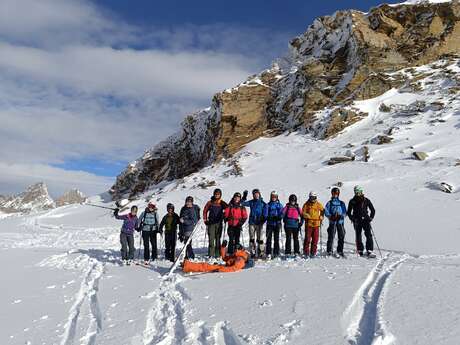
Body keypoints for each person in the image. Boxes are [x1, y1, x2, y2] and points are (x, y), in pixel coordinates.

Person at [182, 241, 249, 273]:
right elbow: (225, 258)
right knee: (204, 265)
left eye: (236, 248)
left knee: (205, 266)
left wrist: (220, 270)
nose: (235, 249)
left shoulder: (241, 259)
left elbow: (233, 269)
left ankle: (187, 266)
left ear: (240, 249)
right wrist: (223, 247)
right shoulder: (237, 255)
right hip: (222, 266)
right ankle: (187, 265)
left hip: (222, 268)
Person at [347, 186, 376, 258]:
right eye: (356, 192)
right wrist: (352, 218)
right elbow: (349, 212)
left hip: (365, 220)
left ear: (361, 192)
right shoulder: (352, 201)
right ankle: (360, 250)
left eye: (359, 192)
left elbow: (373, 210)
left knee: (368, 234)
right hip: (357, 221)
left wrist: (371, 218)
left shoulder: (366, 200)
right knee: (358, 235)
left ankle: (369, 250)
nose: (357, 193)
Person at [203, 188, 228, 258]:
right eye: (216, 194)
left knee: (218, 239)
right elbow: (205, 211)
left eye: (218, 194)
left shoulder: (222, 202)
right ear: (214, 194)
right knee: (211, 239)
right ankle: (211, 254)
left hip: (219, 223)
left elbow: (228, 210)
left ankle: (217, 254)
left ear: (220, 195)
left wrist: (225, 217)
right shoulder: (210, 202)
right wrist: (205, 220)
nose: (217, 195)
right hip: (211, 223)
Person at [242, 189, 266, 258]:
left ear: (259, 194)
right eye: (254, 194)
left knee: (260, 238)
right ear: (253, 195)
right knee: (252, 238)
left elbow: (266, 211)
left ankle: (260, 252)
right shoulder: (251, 202)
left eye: (257, 194)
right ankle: (253, 251)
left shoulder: (262, 203)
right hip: (252, 223)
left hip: (259, 223)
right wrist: (244, 197)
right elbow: (242, 203)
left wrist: (264, 219)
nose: (256, 195)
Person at [324, 187, 347, 257]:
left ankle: (340, 250)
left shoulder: (341, 203)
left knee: (341, 236)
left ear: (338, 194)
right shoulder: (329, 203)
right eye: (334, 194)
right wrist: (331, 216)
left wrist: (341, 216)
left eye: (336, 194)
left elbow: (345, 212)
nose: (335, 195)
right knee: (331, 236)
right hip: (332, 222)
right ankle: (329, 250)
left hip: (340, 222)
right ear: (332, 194)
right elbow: (326, 211)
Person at [302, 192, 325, 257]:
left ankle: (313, 253)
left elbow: (323, 210)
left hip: (316, 224)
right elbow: (302, 212)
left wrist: (321, 216)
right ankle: (306, 252)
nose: (313, 199)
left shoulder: (318, 204)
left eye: (314, 198)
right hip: (309, 224)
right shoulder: (306, 204)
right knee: (307, 239)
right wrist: (305, 214)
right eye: (311, 198)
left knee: (315, 240)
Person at [263, 191, 283, 258]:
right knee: (269, 238)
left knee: (276, 239)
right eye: (272, 196)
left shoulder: (279, 205)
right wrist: (269, 217)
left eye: (275, 197)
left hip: (277, 224)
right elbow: (265, 214)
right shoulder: (268, 205)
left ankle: (276, 252)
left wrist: (279, 217)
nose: (273, 198)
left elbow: (281, 213)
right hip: (270, 224)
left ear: (277, 197)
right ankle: (268, 252)